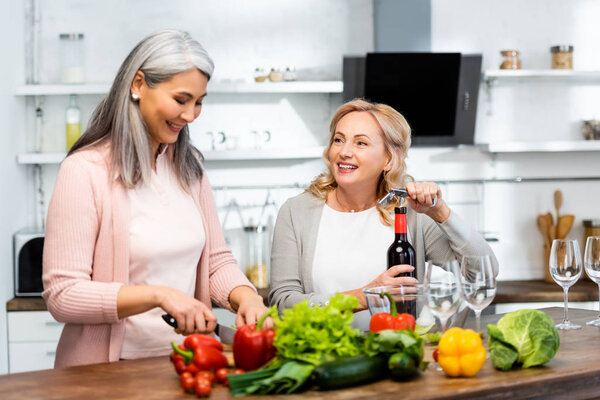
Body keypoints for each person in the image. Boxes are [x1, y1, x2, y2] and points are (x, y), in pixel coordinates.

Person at [42, 30, 268, 367]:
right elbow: (63, 295)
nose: (191, 115)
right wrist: (160, 296)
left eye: (199, 101)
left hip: (189, 362)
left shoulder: (190, 167)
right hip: (108, 373)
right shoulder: (84, 171)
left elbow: (215, 262)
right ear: (138, 85)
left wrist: (245, 296)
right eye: (181, 99)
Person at [268, 99, 498, 330]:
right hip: (323, 355)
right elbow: (283, 303)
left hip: (395, 354)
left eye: (361, 143)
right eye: (338, 140)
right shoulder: (296, 212)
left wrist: (442, 213)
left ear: (388, 159)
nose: (344, 152)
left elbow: (482, 274)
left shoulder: (410, 214)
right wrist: (365, 296)